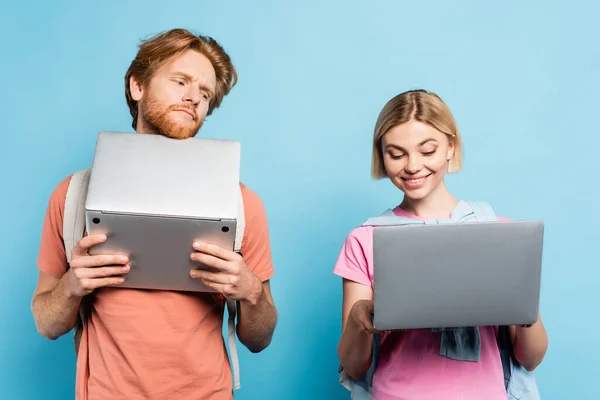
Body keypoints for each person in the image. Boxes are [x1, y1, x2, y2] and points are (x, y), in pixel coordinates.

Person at [31, 28, 277, 400]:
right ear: (137, 86)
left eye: (205, 93)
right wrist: (71, 286)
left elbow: (260, 339)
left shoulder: (241, 205)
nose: (194, 97)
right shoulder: (72, 196)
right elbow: (46, 324)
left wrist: (251, 293)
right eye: (180, 81)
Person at [333, 89, 548, 399]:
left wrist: (523, 306)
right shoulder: (365, 239)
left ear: (451, 146)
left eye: (427, 150)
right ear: (381, 155)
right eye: (396, 154)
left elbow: (531, 358)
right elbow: (354, 367)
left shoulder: (499, 235)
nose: (412, 166)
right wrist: (358, 320)